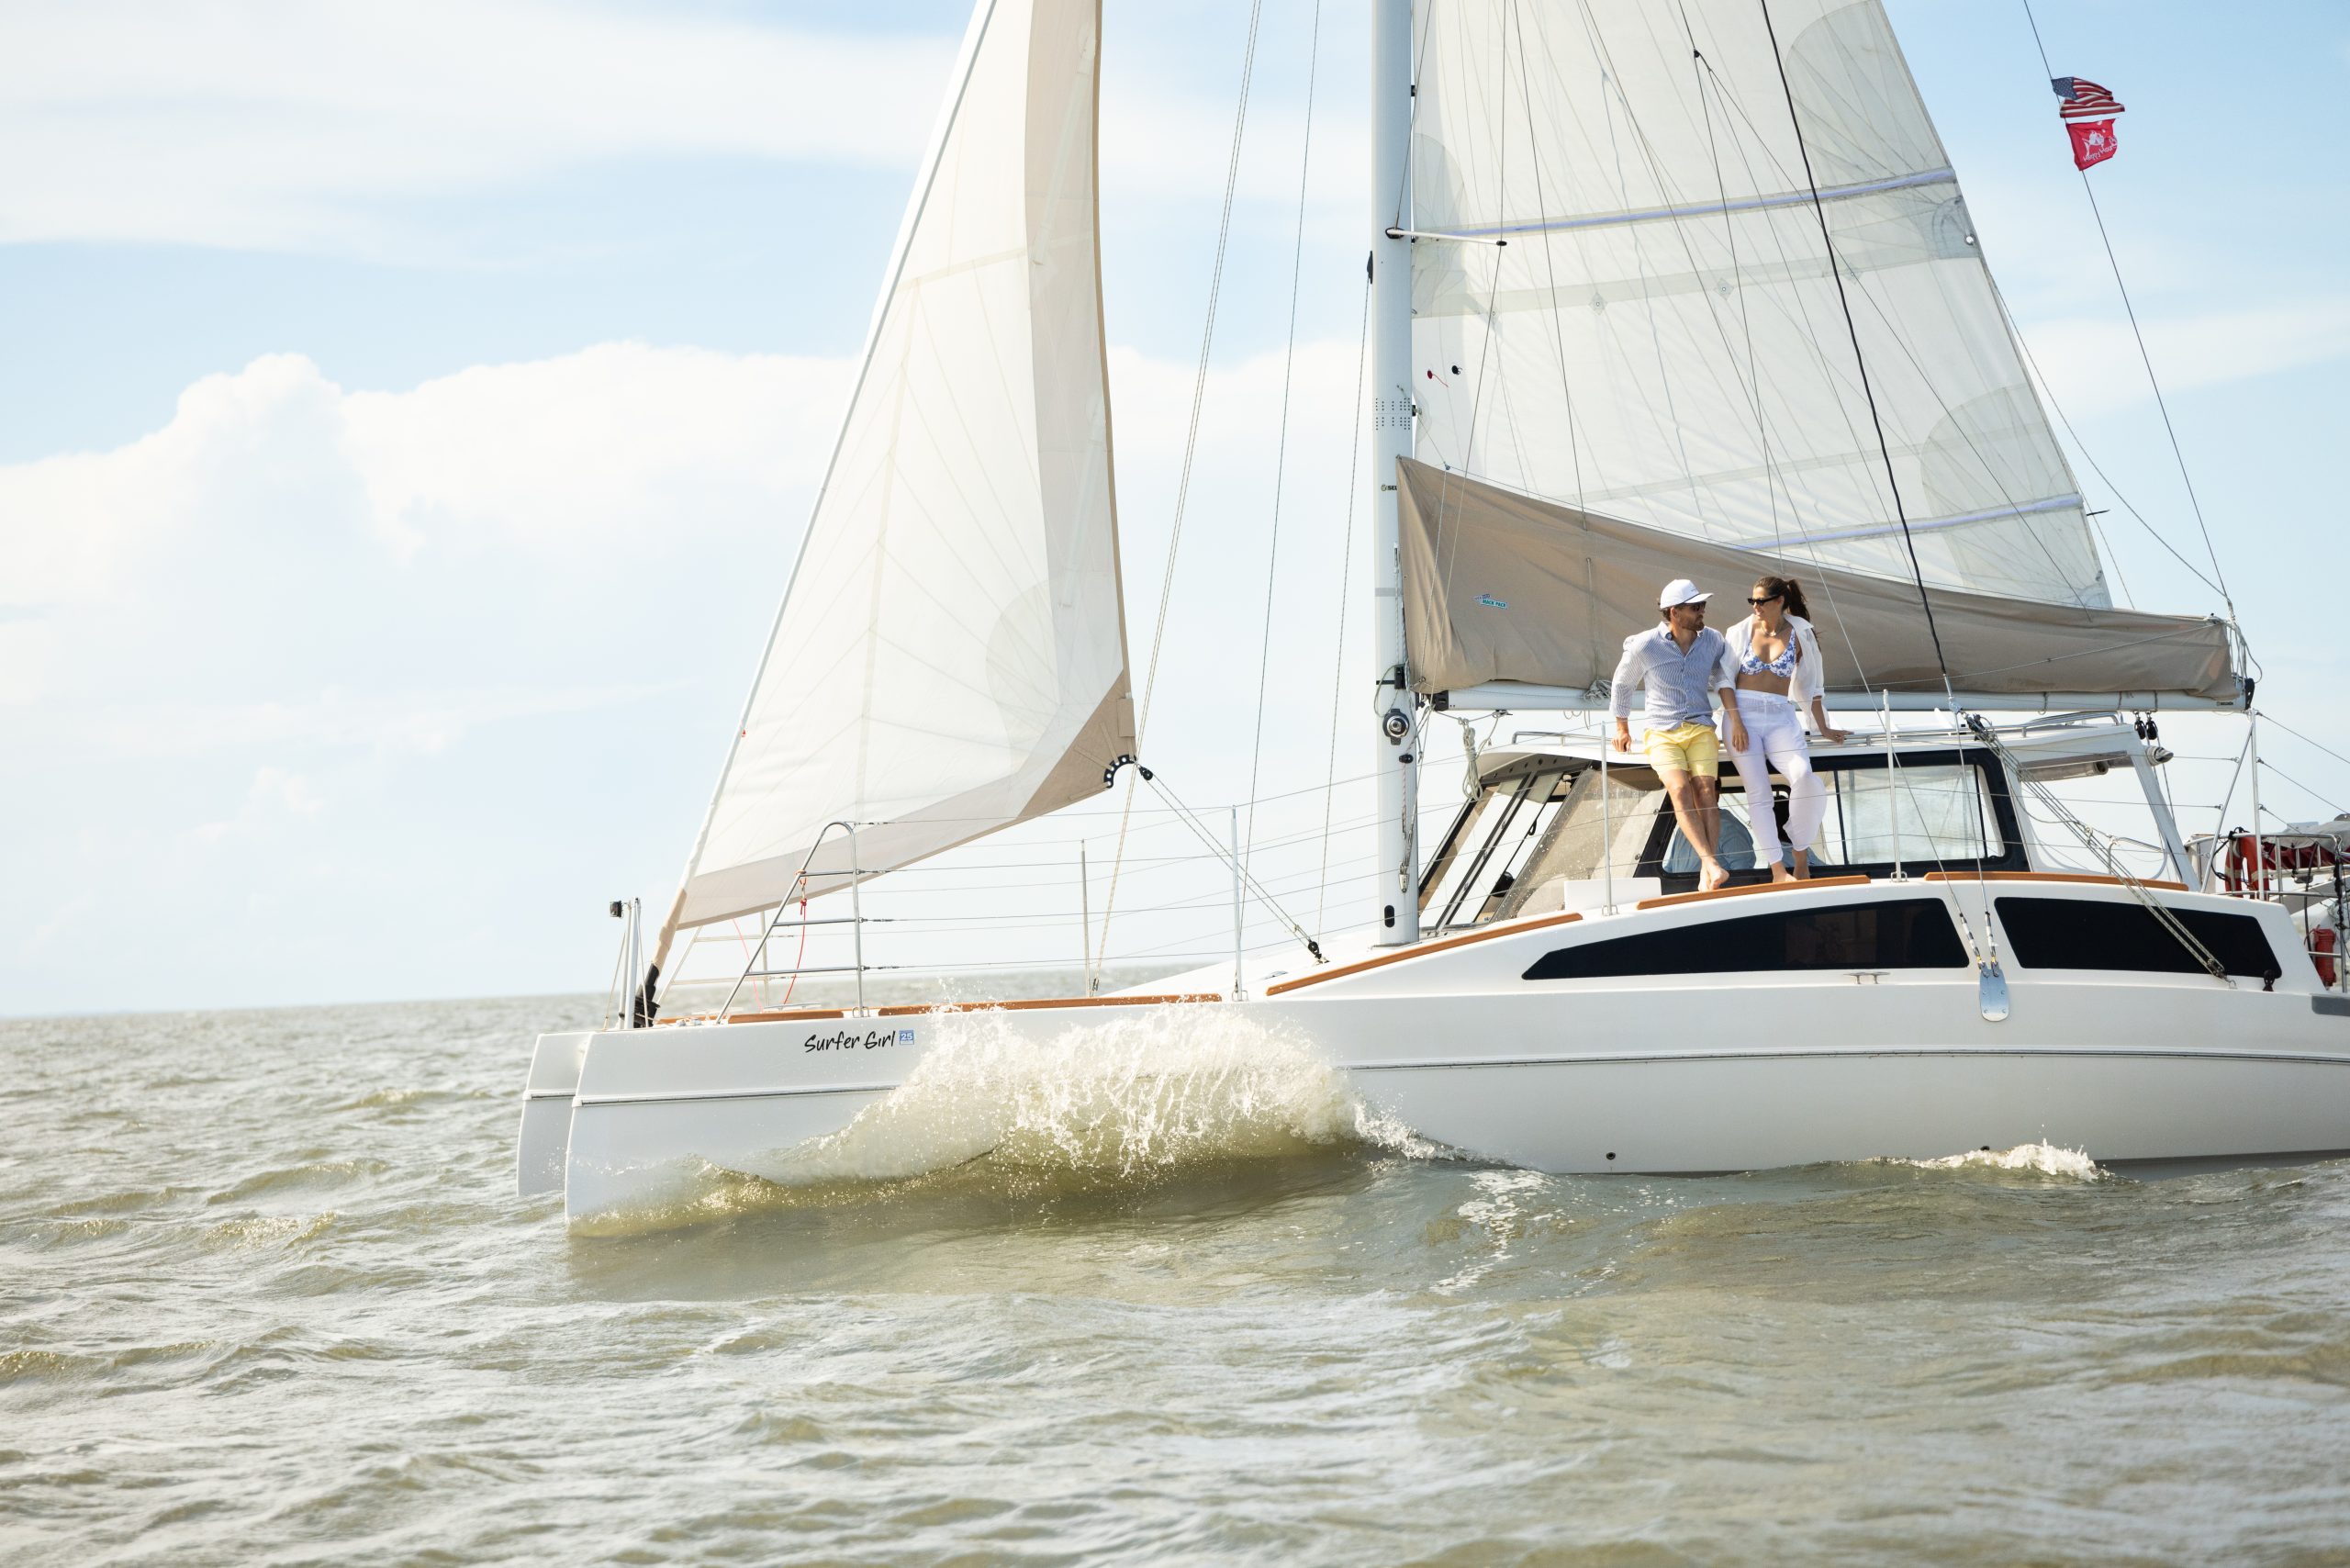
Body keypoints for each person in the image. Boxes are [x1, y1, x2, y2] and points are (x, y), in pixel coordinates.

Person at [1717, 575, 1848, 882]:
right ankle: (1779, 871)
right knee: (1759, 792)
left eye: (1761, 601)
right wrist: (1735, 721)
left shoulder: (1802, 633)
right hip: (1740, 715)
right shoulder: (1739, 631)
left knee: (1804, 777)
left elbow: (1811, 685)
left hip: (1779, 715)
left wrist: (1823, 727)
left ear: (1780, 602)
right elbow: (1723, 680)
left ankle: (1800, 854)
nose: (1755, 606)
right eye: (1752, 601)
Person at [1611, 578, 1731, 891]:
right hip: (1661, 731)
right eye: (1696, 607)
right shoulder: (1645, 644)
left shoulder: (1713, 640)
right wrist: (1622, 727)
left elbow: (1724, 671)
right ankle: (1710, 863)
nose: (1702, 610)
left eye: (1702, 605)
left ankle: (1709, 866)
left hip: (1701, 726)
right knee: (1679, 790)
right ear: (1675, 612)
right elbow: (1623, 683)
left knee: (1706, 789)